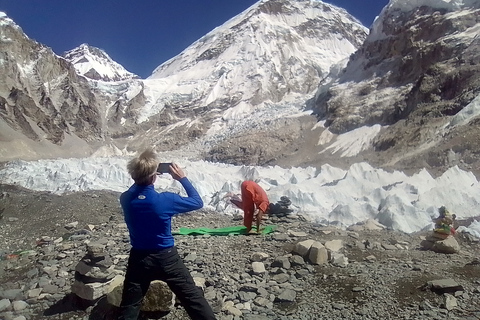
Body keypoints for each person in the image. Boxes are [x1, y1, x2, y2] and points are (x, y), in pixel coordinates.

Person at [118, 148, 216, 320]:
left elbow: (136, 189)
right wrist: (182, 178)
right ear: (154, 176)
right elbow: (197, 201)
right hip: (167, 258)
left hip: (139, 258)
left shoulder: (125, 198)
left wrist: (143, 174)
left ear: (133, 176)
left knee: (130, 306)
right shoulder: (166, 200)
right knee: (192, 298)